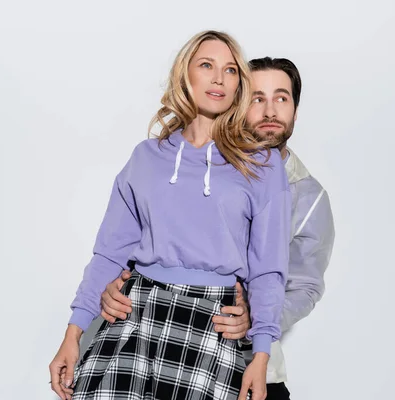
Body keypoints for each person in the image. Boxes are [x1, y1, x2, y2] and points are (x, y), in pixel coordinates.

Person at [48, 31, 291, 400]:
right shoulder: (146, 157)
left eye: (229, 70)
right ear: (184, 75)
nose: (218, 78)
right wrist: (72, 333)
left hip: (213, 322)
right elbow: (109, 252)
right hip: (137, 314)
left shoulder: (261, 163)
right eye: (206, 65)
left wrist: (261, 354)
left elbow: (268, 269)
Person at [98, 57, 335, 400]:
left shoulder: (309, 195)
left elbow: (305, 285)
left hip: (255, 369)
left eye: (281, 98)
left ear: (295, 111)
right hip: (162, 348)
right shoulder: (194, 166)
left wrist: (253, 320)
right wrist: (118, 287)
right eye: (256, 98)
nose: (269, 111)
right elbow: (152, 241)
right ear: (236, 103)